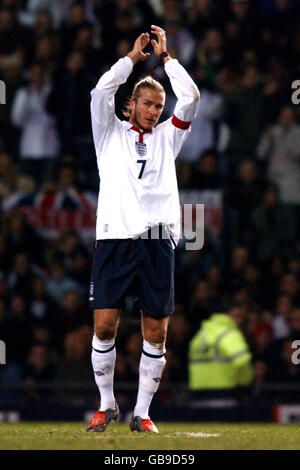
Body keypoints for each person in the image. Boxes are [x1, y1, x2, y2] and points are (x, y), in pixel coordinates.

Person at [87, 25, 200, 433]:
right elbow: (101, 91)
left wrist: (167, 60)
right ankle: (105, 405)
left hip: (156, 241)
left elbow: (192, 98)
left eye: (159, 105)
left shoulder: (169, 137)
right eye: (148, 103)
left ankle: (143, 413)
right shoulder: (108, 135)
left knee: (156, 332)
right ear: (131, 104)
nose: (155, 110)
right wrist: (133, 58)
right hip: (115, 237)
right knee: (104, 325)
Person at [188, 305, 253, 400]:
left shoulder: (200, 335)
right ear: (226, 315)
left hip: (197, 393)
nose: (240, 320)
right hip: (223, 392)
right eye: (237, 316)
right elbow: (243, 361)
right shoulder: (229, 333)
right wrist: (245, 382)